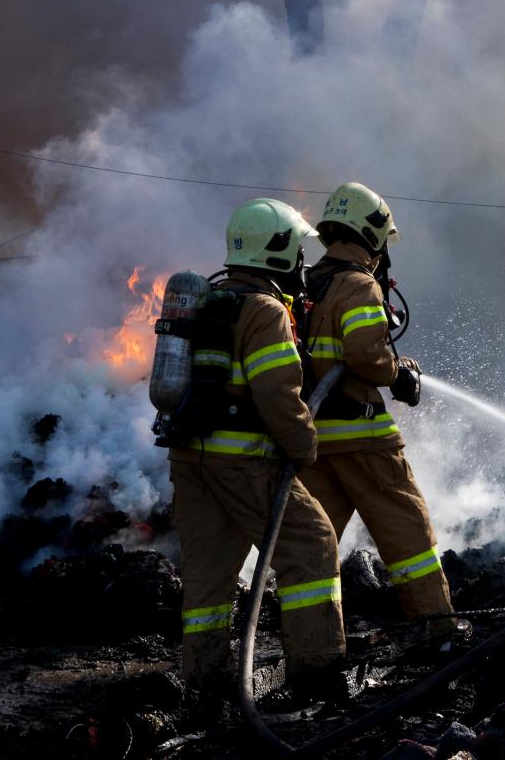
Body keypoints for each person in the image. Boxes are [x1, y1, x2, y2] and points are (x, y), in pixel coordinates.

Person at [167, 197, 347, 703]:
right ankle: (317, 673)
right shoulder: (265, 311)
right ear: (278, 251)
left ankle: (205, 683)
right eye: (297, 252)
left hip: (190, 458)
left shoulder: (207, 298)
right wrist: (304, 445)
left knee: (208, 574)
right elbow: (276, 394)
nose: (302, 264)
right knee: (311, 547)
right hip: (244, 461)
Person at [297, 182, 457, 629]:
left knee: (316, 547)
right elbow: (366, 354)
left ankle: (315, 646)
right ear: (370, 235)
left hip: (314, 440)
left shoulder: (308, 282)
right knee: (408, 533)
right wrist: (399, 372)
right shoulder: (358, 285)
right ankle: (436, 625)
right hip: (362, 436)